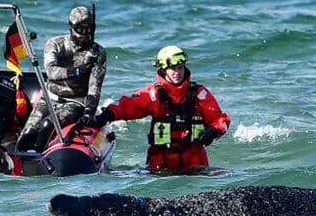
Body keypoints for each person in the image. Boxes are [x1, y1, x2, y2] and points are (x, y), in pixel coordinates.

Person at [81, 45, 230, 173]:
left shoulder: (199, 94)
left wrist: (213, 130)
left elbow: (221, 120)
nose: (177, 72)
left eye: (180, 67)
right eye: (172, 69)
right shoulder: (153, 95)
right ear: (163, 70)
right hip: (161, 166)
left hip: (195, 163)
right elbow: (128, 106)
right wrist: (106, 115)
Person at [17, 5, 106, 151]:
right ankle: (17, 162)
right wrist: (76, 71)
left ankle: (40, 160)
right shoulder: (55, 44)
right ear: (70, 27)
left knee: (47, 126)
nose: (85, 34)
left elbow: (95, 86)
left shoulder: (97, 52)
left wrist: (89, 111)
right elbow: (52, 72)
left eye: (88, 29)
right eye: (80, 29)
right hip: (49, 98)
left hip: (76, 102)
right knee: (28, 133)